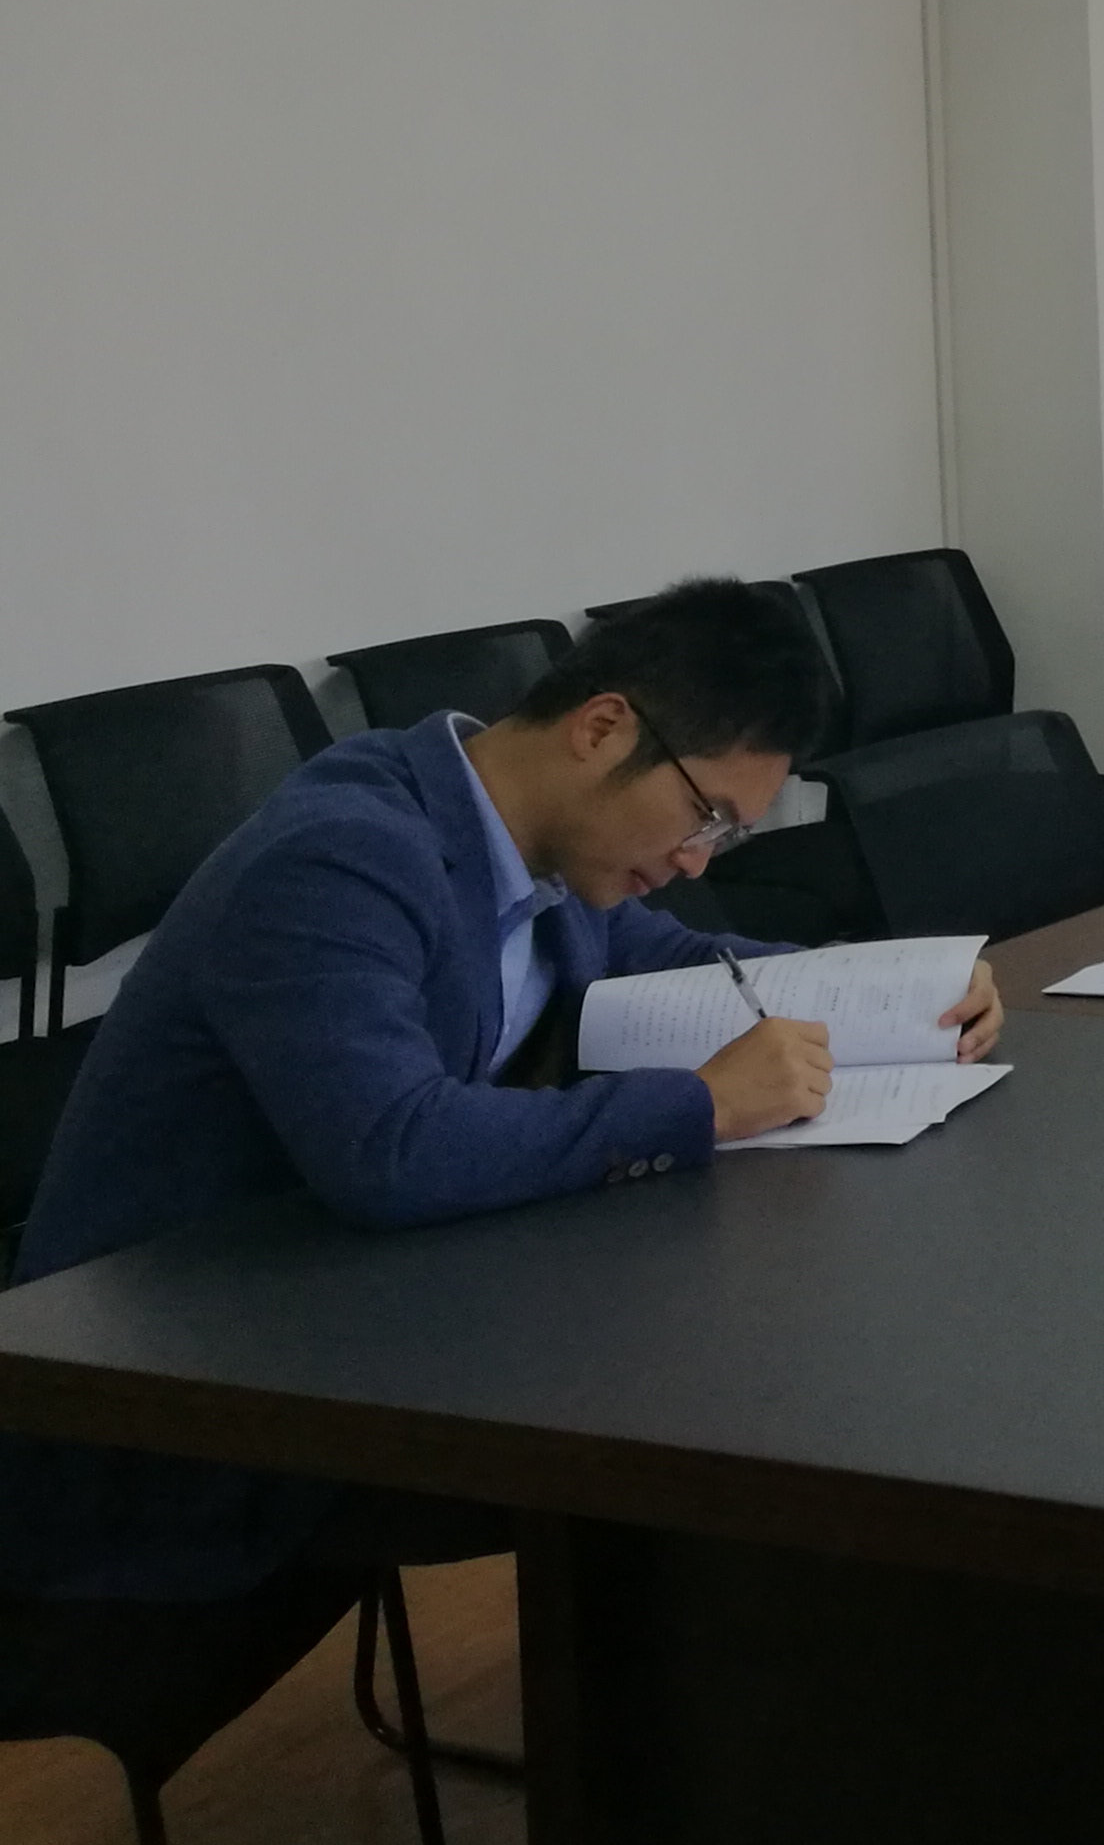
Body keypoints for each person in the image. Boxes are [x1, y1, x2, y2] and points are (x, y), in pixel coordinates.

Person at [0, 581, 1002, 1602]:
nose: (696, 859)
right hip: (173, 1411)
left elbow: (684, 965)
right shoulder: (339, 856)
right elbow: (393, 1150)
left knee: (748, 1376)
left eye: (724, 836)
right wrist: (701, 1104)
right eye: (704, 815)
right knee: (720, 1436)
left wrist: (907, 991)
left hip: (360, 1311)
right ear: (603, 729)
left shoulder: (540, 846)